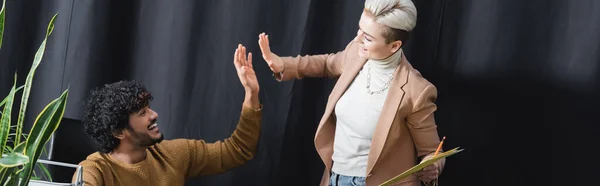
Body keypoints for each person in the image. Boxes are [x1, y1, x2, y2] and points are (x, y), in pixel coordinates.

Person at [258, 0, 445, 185]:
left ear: (394, 46)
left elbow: (432, 151)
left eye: (368, 38)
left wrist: (432, 165)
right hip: (334, 177)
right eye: (359, 29)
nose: (357, 39)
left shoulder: (416, 90)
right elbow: (326, 64)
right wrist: (283, 64)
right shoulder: (357, 52)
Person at [73, 44, 262, 186]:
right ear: (118, 131)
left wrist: (251, 94)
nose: (154, 115)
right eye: (142, 113)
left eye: (149, 108)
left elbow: (238, 150)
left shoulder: (172, 154)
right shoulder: (95, 169)